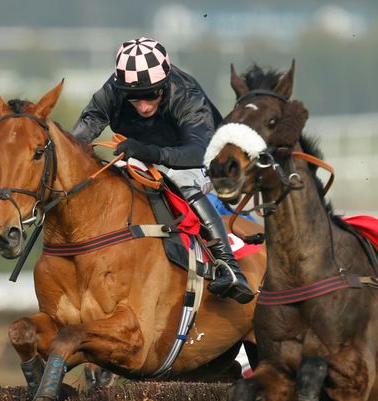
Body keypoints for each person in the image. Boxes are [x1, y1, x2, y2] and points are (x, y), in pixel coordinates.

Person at [72, 37, 254, 304]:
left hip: (205, 163)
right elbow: (85, 128)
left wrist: (152, 153)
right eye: (134, 98)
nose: (143, 106)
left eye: (151, 95)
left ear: (165, 85)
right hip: (146, 159)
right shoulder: (113, 89)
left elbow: (198, 152)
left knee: (180, 180)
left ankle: (229, 267)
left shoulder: (186, 94)